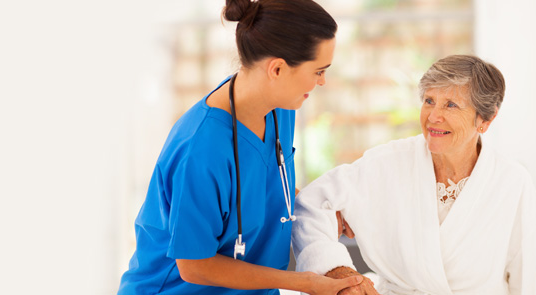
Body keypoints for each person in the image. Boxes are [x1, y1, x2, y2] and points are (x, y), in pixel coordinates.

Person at [118, 0, 363, 294]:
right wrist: (301, 283)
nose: (323, 82)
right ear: (277, 69)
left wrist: (317, 209)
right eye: (318, 71)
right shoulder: (201, 149)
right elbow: (194, 265)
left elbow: (262, 186)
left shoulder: (280, 107)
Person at [292, 55, 536, 294]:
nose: (433, 116)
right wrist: (338, 270)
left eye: (451, 105)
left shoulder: (511, 182)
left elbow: (531, 279)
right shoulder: (388, 161)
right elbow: (312, 205)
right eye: (429, 101)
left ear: (485, 119)